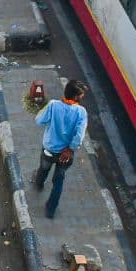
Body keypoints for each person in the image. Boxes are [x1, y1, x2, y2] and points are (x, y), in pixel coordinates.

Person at [33, 79, 89, 219]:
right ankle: (50, 209)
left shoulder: (53, 105)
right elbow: (79, 135)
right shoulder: (81, 112)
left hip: (49, 149)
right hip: (66, 154)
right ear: (76, 96)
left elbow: (39, 120)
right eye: (82, 94)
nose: (83, 97)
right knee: (59, 181)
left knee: (43, 169)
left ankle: (39, 185)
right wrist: (70, 150)